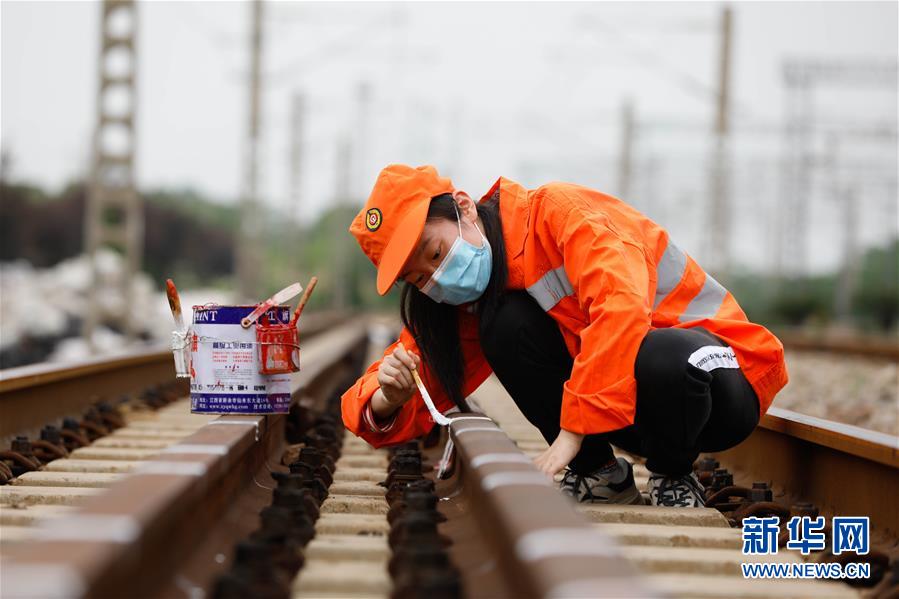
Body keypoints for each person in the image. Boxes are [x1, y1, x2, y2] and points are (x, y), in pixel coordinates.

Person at [341, 164, 788, 508]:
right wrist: (386, 398)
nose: (436, 277)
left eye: (434, 253)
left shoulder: (559, 212)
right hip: (632, 410)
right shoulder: (471, 300)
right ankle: (601, 477)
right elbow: (405, 375)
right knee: (503, 325)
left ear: (463, 207)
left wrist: (571, 432)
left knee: (661, 354)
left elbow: (621, 306)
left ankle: (674, 475)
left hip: (720, 380)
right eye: (418, 279)